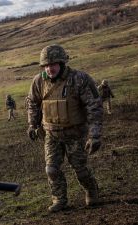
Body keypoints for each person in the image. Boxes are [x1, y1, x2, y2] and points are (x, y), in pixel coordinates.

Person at [25, 44, 103, 213]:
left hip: (75, 133)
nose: (49, 68)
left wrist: (94, 134)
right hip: (51, 134)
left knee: (81, 169)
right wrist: (33, 124)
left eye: (52, 64)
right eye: (46, 65)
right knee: (51, 169)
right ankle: (59, 199)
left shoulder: (79, 79)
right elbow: (32, 102)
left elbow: (93, 106)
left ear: (62, 63)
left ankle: (91, 190)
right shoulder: (39, 81)